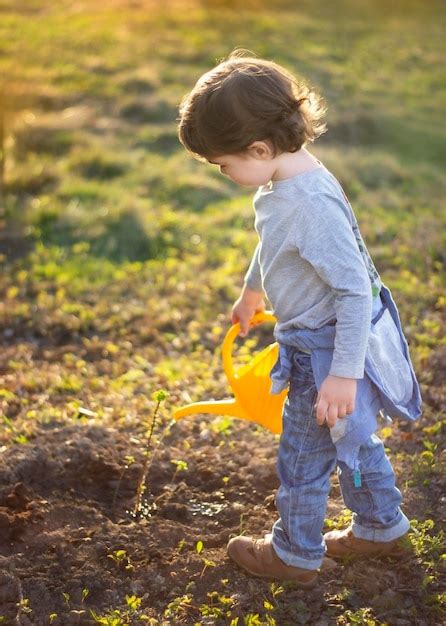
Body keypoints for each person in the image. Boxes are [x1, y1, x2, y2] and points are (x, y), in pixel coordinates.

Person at [177, 49, 422, 587]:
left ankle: (293, 554)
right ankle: (381, 526)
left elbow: (355, 290)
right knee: (354, 441)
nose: (225, 174)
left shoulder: (308, 203)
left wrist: (343, 372)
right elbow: (274, 244)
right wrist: (252, 290)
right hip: (321, 344)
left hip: (325, 351)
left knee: (303, 459)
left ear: (259, 148)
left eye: (225, 164)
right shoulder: (285, 183)